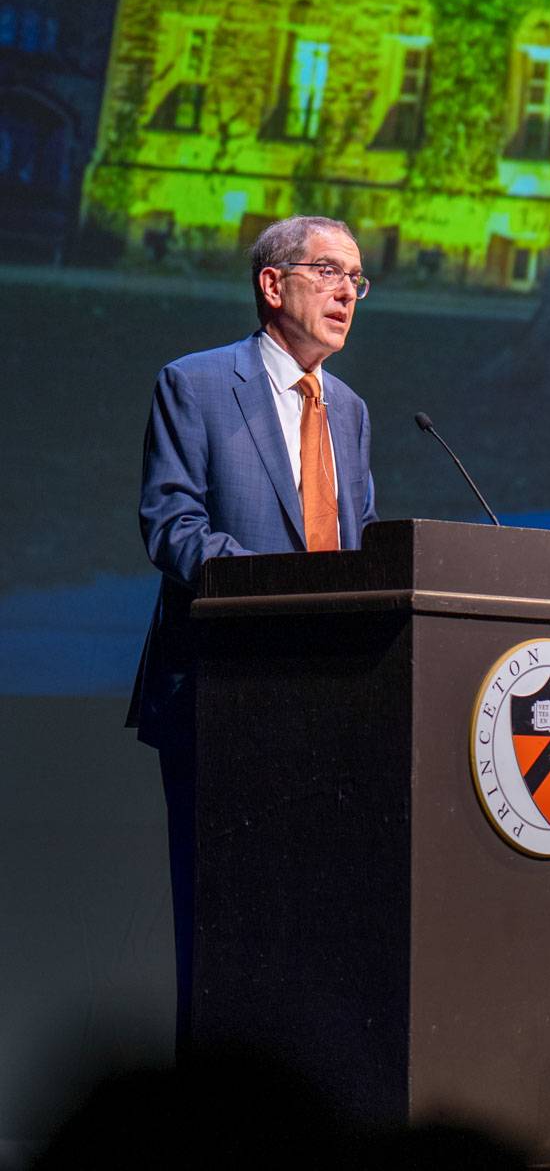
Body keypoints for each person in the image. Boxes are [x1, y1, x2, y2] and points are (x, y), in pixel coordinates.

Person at [125, 214, 379, 1050]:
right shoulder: (195, 384)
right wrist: (270, 582)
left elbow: (359, 543)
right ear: (273, 285)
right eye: (328, 271)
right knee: (219, 923)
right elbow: (170, 523)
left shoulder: (351, 410)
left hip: (331, 706)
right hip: (221, 694)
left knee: (313, 929)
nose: (347, 290)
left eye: (357, 278)